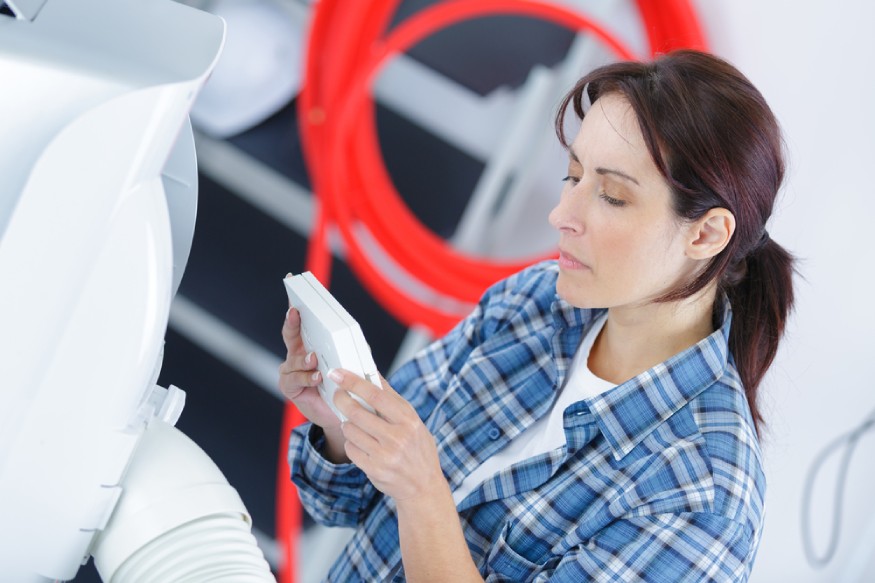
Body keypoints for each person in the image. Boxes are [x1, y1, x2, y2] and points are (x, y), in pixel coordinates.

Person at [279, 49, 795, 582]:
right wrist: (341, 424)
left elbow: (410, 489)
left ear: (705, 234)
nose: (561, 216)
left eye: (613, 196)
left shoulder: (700, 498)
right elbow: (342, 503)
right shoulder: (531, 302)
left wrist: (421, 492)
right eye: (573, 177)